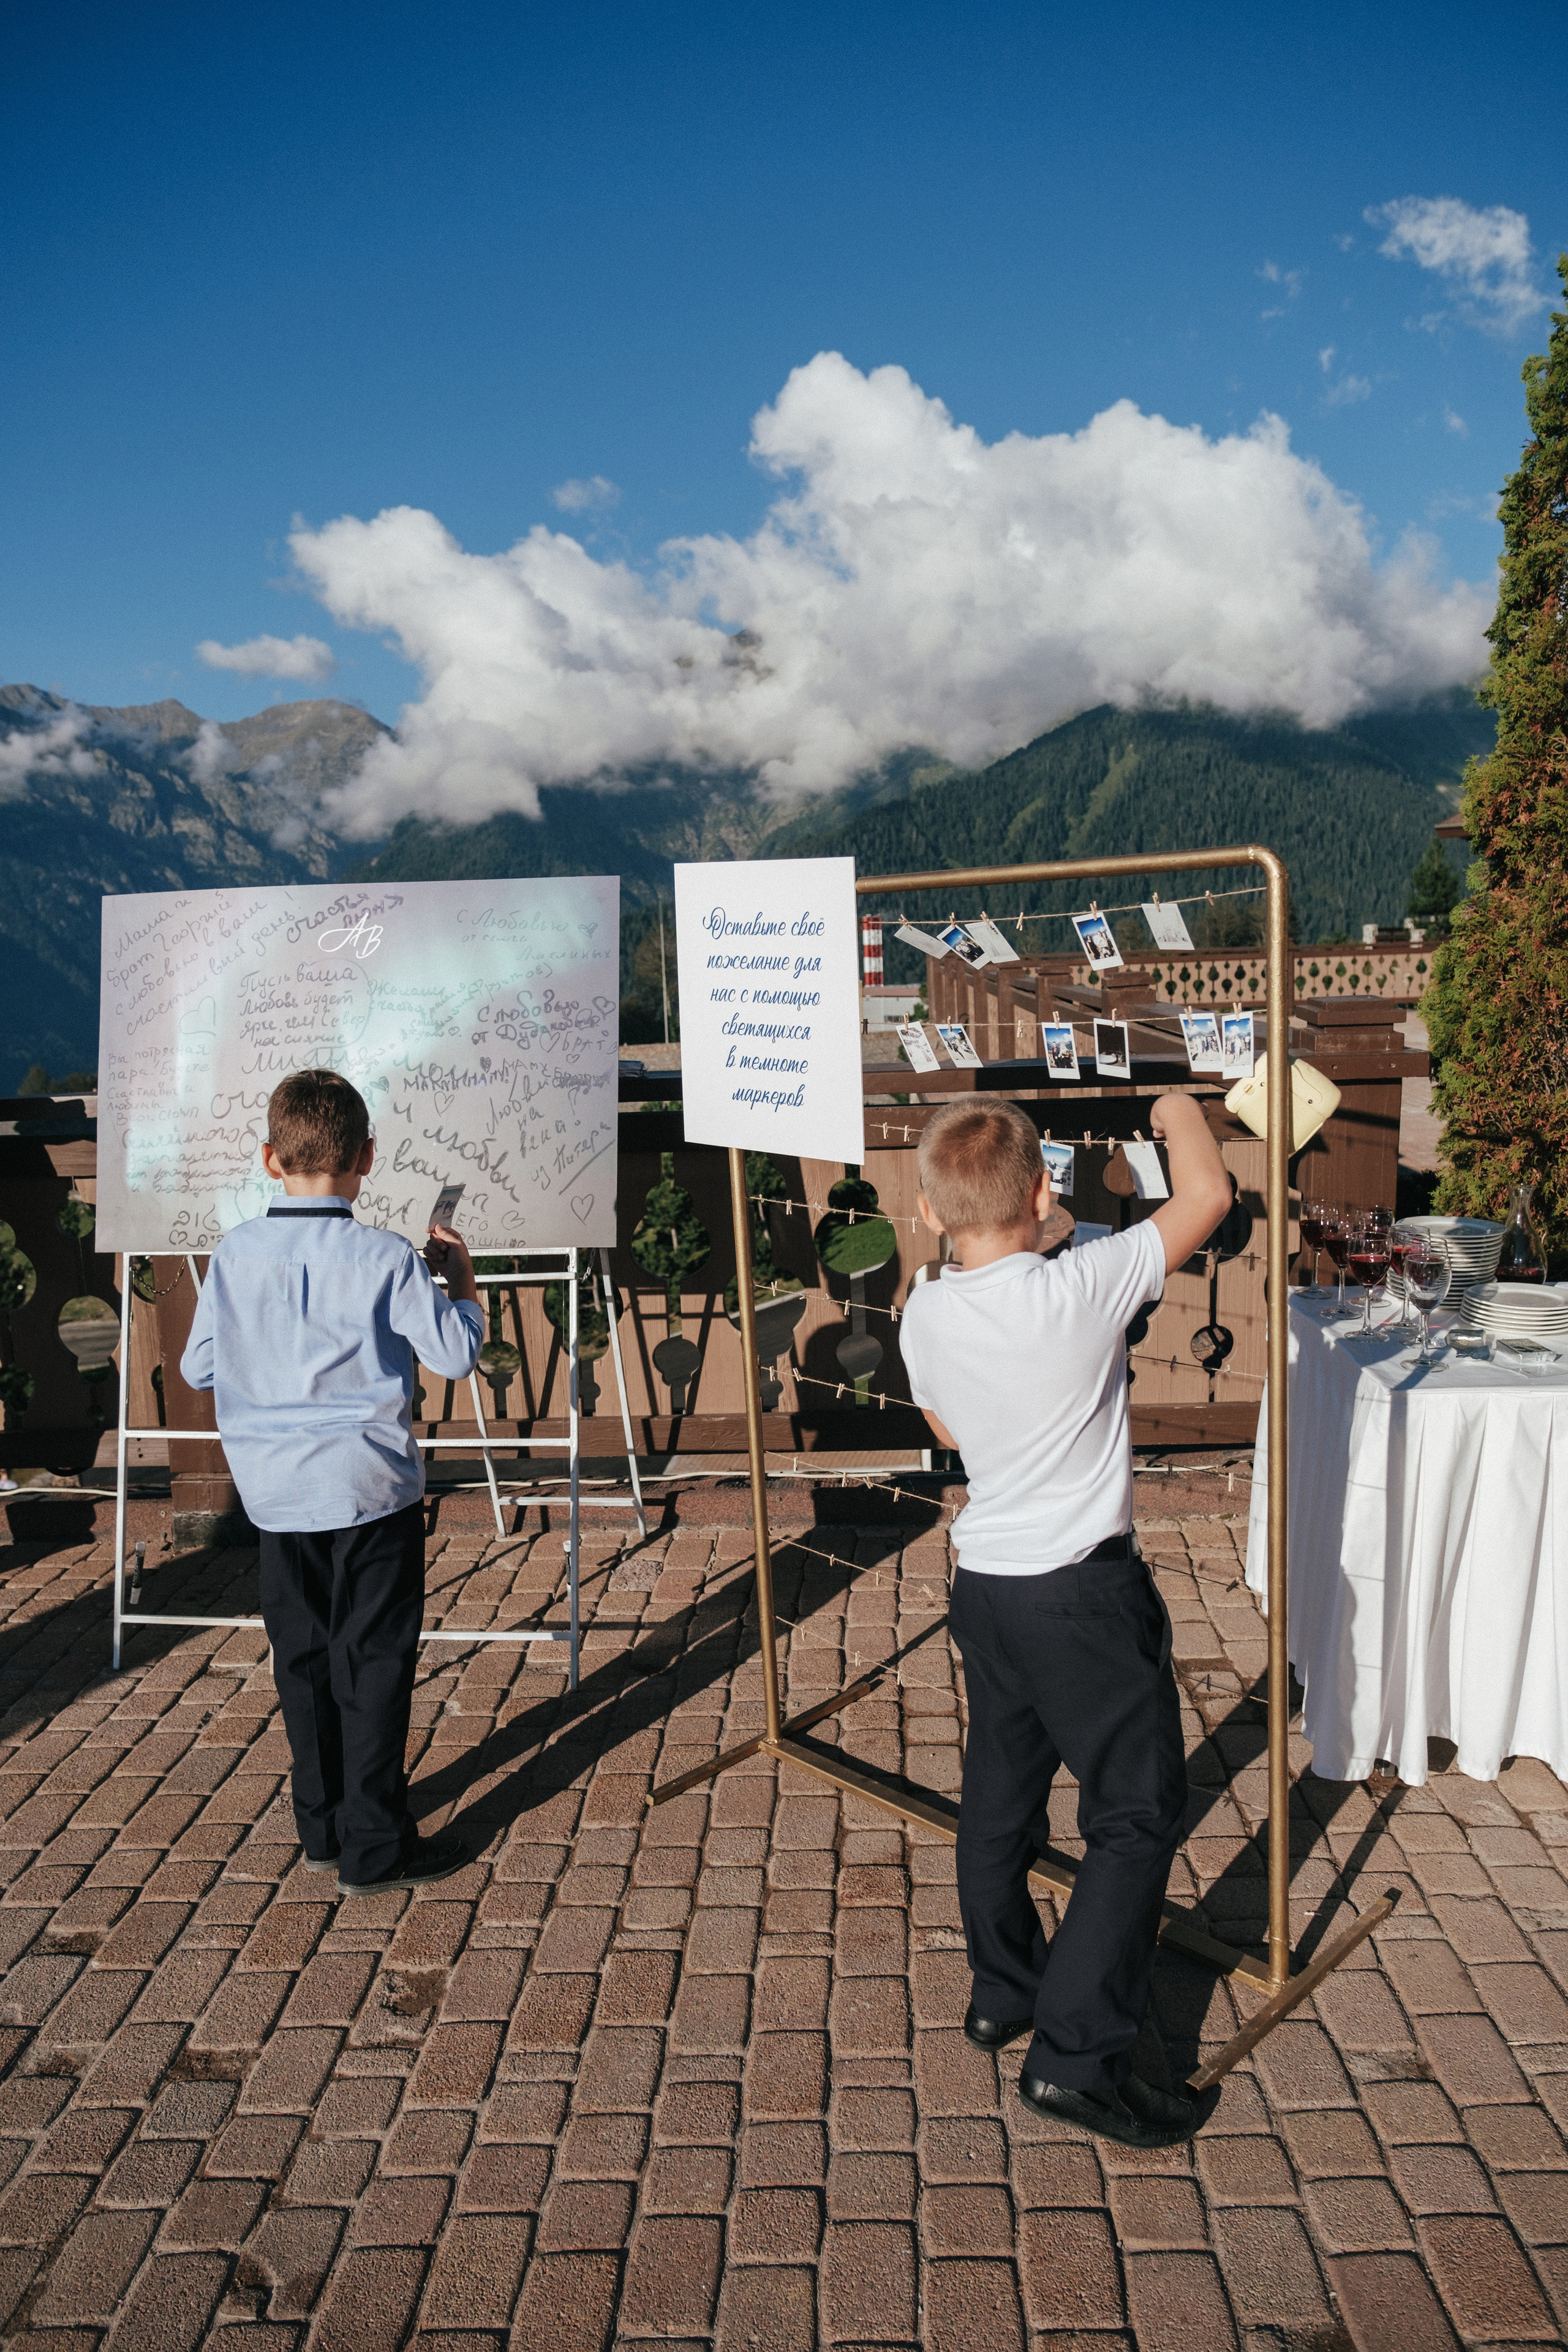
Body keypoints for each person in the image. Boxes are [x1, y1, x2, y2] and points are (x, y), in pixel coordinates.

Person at [899, 1095, 1232, 2149]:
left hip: (987, 1588)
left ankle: (1003, 1989)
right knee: (1135, 1814)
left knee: (1001, 1795)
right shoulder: (1084, 1283)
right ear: (1043, 1192)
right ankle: (1076, 2059)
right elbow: (1209, 1193)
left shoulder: (923, 1308)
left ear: (928, 1210)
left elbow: (949, 1424)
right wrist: (1177, 1108)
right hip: (1082, 1595)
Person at [181, 1068, 484, 1897]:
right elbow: (455, 1354)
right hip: (369, 1489)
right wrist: (459, 1285)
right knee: (374, 1660)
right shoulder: (386, 1258)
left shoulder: (234, 1254)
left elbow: (199, 1366)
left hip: (276, 1496)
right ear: (366, 1158)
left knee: (304, 1659)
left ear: (271, 1159)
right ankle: (375, 1845)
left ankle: (320, 1827)